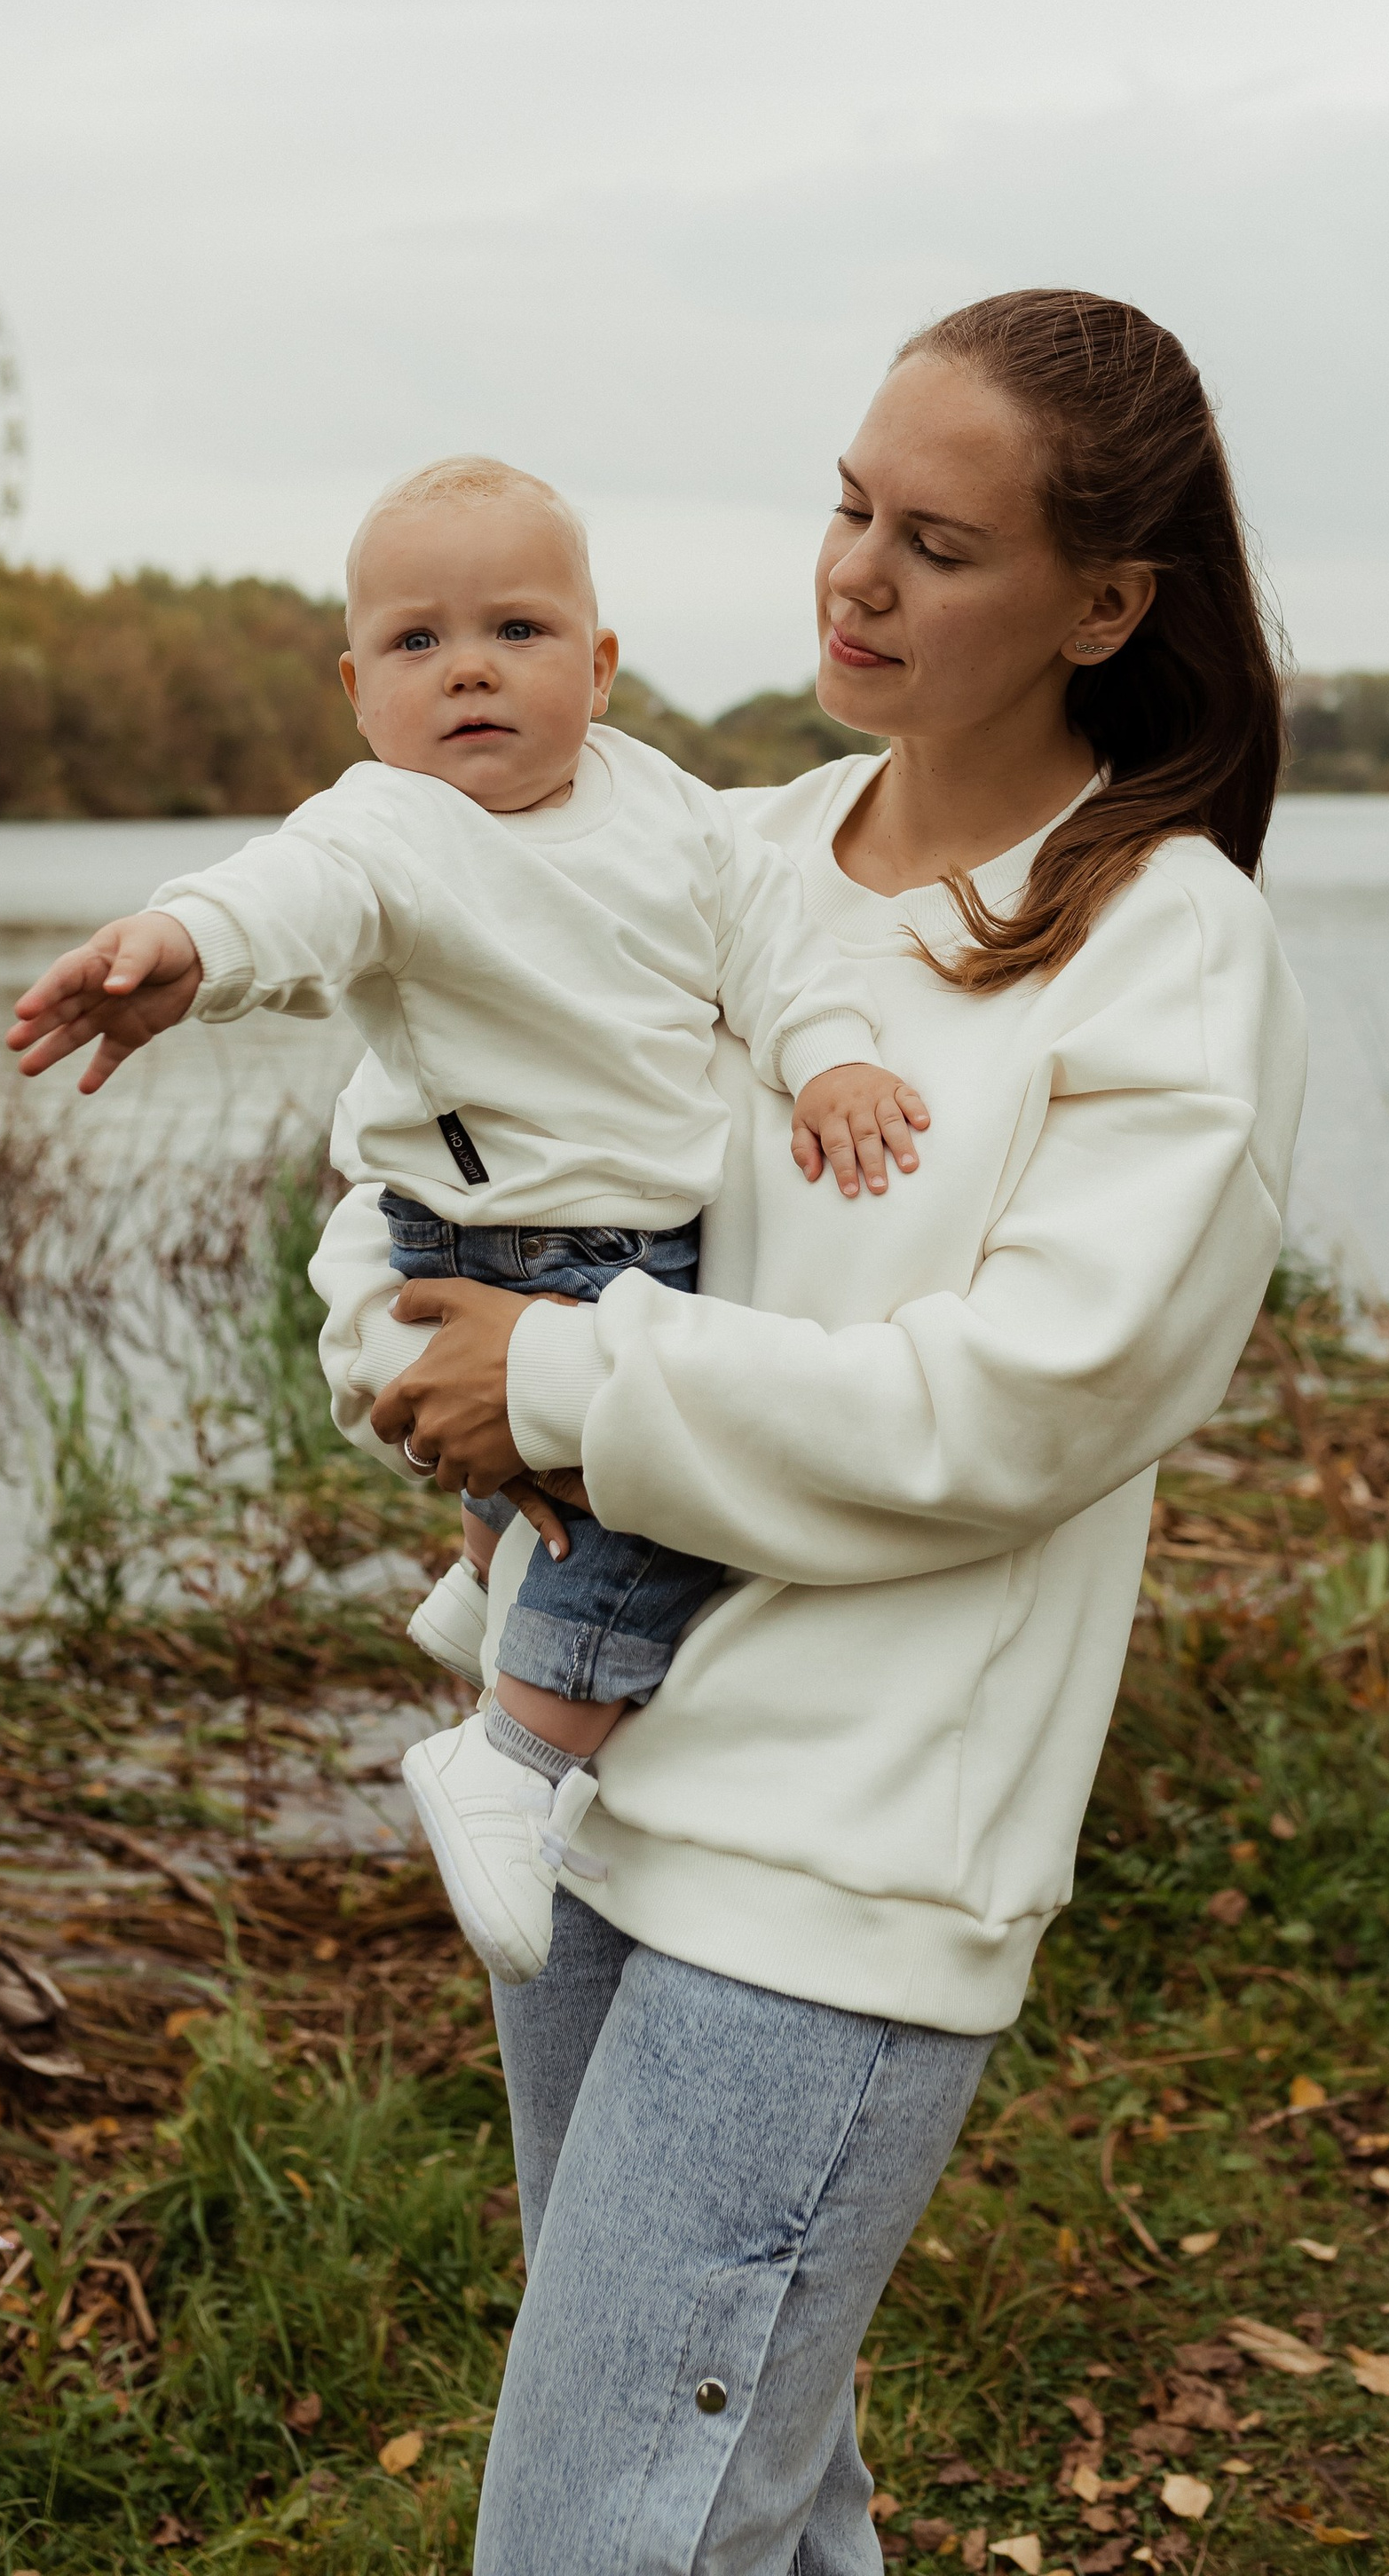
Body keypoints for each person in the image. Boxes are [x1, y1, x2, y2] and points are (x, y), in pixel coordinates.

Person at [322, 288, 1308, 2576]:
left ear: (1104, 601)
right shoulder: (712, 849)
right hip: (585, 1802)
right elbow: (431, 1156)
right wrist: (386, 1346)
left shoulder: (1161, 949)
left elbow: (1005, 1414)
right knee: (740, 2513)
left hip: (844, 1870)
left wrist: (551, 1382)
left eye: (937, 545)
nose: (854, 575)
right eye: (847, 508)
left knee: (601, 2536)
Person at [5, 454, 928, 1983]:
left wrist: (830, 1057)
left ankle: (488, 1576)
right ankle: (507, 1755)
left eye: (519, 630)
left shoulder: (674, 814)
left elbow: (772, 948)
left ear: (601, 665)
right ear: (361, 693)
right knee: (662, 1522)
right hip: (502, 1246)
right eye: (421, 646)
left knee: (639, 1455)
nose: (473, 673)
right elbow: (289, 892)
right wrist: (182, 936)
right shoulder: (393, 826)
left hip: (634, 1238)